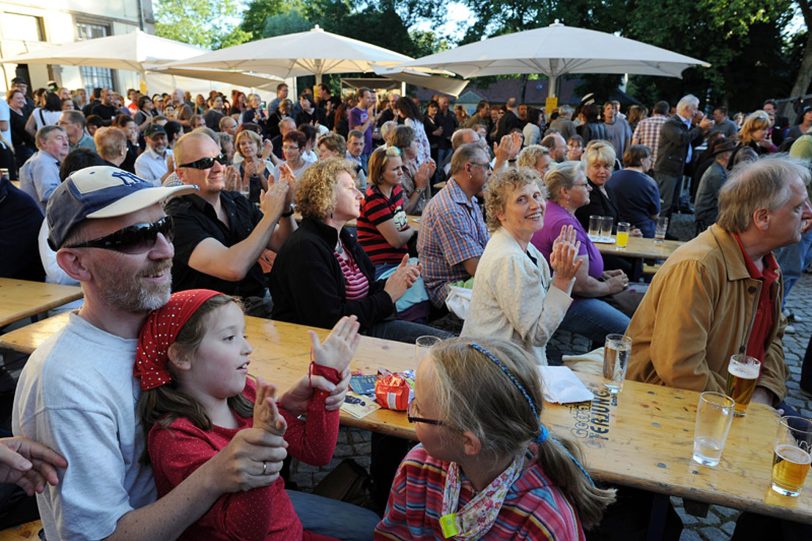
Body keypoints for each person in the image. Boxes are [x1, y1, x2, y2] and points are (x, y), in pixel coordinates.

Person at [12, 165, 294, 540]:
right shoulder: (67, 381)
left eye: (165, 228)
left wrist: (292, 404)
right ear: (75, 263)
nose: (165, 250)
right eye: (136, 236)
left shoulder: (168, 325)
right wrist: (211, 477)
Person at [137, 291, 380, 540]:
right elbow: (246, 533)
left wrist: (326, 381)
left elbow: (316, 451)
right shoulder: (177, 439)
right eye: (230, 337)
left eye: (244, 335)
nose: (247, 348)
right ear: (181, 356)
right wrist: (262, 445)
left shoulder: (248, 396)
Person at [375, 338, 615, 539]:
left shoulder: (543, 521)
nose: (412, 411)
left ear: (469, 442)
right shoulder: (418, 467)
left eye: (419, 409)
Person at [627, 156, 811, 400]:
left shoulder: (767, 265)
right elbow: (680, 368)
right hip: (670, 405)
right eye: (798, 207)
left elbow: (773, 340)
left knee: (802, 434)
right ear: (762, 218)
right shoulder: (698, 267)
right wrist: (738, 407)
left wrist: (765, 393)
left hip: (733, 401)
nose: (809, 212)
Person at [270, 158, 448, 343]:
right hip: (324, 345)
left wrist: (396, 281)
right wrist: (388, 296)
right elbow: (328, 321)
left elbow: (366, 290)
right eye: (349, 188)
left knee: (447, 344)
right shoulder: (305, 249)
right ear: (324, 196)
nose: (360, 195)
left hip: (357, 332)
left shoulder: (344, 238)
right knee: (441, 345)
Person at [167, 133, 296, 317]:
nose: (218, 168)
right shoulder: (178, 217)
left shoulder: (235, 201)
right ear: (182, 174)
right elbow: (233, 268)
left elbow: (284, 243)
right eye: (205, 163)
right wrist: (272, 214)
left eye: (220, 158)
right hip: (209, 320)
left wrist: (285, 210)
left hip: (258, 303)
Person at [462, 168, 580, 365]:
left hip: (502, 363)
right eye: (522, 200)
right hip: (496, 371)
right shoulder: (509, 258)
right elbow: (537, 334)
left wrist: (560, 271)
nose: (536, 205)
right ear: (500, 213)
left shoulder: (524, 248)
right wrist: (562, 280)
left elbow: (539, 304)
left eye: (536, 195)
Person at [531, 162, 631, 345]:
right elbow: (579, 284)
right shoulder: (562, 222)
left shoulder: (556, 211)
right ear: (565, 192)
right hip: (570, 302)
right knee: (629, 332)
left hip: (566, 295)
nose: (590, 188)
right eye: (584, 184)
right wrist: (609, 286)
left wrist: (601, 274)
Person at [418, 144, 491, 309]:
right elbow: (476, 269)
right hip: (450, 291)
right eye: (487, 166)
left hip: (465, 282)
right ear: (469, 168)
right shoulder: (448, 208)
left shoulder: (468, 198)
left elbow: (487, 245)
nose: (490, 172)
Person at [357, 146, 418, 274]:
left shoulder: (396, 190)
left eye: (401, 167)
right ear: (380, 173)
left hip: (400, 261)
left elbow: (401, 227)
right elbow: (396, 241)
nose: (401, 172)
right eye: (396, 169)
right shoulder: (374, 198)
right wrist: (412, 230)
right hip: (381, 266)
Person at [654, 94, 713, 217]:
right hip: (667, 169)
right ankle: (658, 232)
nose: (696, 112)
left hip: (678, 168)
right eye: (695, 108)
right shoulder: (671, 123)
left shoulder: (686, 124)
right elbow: (682, 139)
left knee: (672, 205)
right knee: (664, 203)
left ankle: (665, 231)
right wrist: (700, 128)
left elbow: (694, 142)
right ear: (687, 108)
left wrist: (703, 131)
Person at [606, 144, 661, 238]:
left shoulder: (611, 177)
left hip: (615, 229)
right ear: (642, 161)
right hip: (642, 231)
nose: (651, 162)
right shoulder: (649, 182)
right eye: (649, 159)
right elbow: (655, 214)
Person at [18, 125, 69, 212]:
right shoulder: (43, 162)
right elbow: (48, 194)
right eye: (59, 138)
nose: (66, 143)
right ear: (43, 143)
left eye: (66, 138)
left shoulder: (43, 160)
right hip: (43, 221)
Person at [387, 125, 435, 215]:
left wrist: (427, 178)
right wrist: (420, 188)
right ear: (407, 146)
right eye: (415, 141)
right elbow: (405, 210)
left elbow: (426, 198)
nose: (418, 144)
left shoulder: (412, 163)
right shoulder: (397, 171)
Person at [693, 139, 736, 232]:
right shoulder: (717, 174)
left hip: (708, 212)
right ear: (726, 156)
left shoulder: (718, 169)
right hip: (707, 215)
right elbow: (725, 198)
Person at [631, 100, 669, 168]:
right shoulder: (670, 124)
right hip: (661, 164)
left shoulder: (642, 123)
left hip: (644, 162)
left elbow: (634, 144)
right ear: (667, 112)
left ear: (654, 110)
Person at [395, 97, 432, 166]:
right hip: (423, 153)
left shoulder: (408, 121)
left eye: (398, 110)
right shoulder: (418, 120)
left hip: (415, 154)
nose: (398, 113)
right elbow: (425, 139)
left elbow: (409, 140)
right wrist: (427, 156)